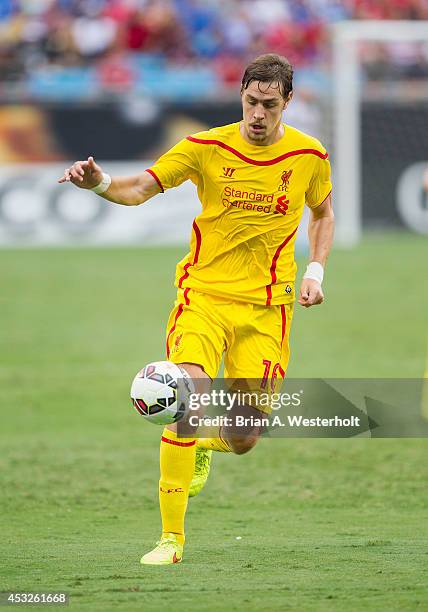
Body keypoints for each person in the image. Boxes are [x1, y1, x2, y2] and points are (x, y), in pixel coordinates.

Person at [59, 53, 334, 565]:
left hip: (267, 309)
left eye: (269, 105)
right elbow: (140, 187)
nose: (257, 114)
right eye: (250, 101)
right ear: (241, 97)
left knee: (245, 437)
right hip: (202, 297)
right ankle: (172, 540)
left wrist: (315, 271)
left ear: (287, 103)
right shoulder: (204, 147)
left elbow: (323, 214)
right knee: (186, 397)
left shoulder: (310, 156)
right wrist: (97, 183)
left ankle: (206, 443)